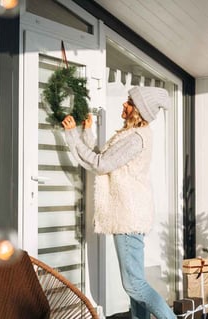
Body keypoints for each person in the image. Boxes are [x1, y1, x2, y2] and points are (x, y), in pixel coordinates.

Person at [62, 86, 175, 319]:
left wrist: (72, 135)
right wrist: (87, 130)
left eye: (130, 103)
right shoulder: (129, 135)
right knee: (137, 284)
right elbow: (103, 158)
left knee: (134, 285)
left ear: (140, 111)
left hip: (128, 214)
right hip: (131, 212)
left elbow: (100, 164)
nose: (124, 105)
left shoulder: (135, 138)